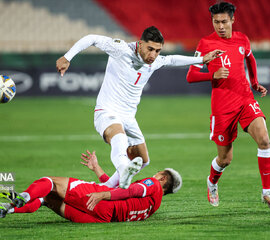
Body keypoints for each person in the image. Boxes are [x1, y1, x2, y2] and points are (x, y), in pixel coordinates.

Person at [56, 26, 223, 189]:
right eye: (150, 49)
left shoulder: (155, 60)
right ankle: (123, 171)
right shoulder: (120, 49)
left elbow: (171, 59)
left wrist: (201, 59)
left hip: (128, 117)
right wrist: (67, 57)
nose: (153, 55)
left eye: (157, 51)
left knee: (143, 160)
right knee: (119, 138)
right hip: (108, 110)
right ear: (140, 43)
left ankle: (108, 185)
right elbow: (91, 38)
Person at [186, 2, 270, 209]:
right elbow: (191, 75)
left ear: (232, 20)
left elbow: (250, 59)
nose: (220, 26)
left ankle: (267, 192)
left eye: (223, 21)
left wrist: (254, 83)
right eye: (216, 22)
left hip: (245, 99)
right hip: (222, 107)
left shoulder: (242, 39)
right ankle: (212, 183)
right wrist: (213, 74)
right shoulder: (205, 43)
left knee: (264, 139)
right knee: (225, 158)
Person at [0, 150, 182, 223]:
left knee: (49, 182)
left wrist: (103, 195)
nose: (154, 175)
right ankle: (5, 209)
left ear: (163, 179)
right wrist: (97, 169)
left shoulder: (153, 184)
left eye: (158, 173)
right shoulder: (154, 206)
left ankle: (20, 197)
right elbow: (120, 190)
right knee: (46, 199)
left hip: (99, 201)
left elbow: (130, 190)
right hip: (100, 219)